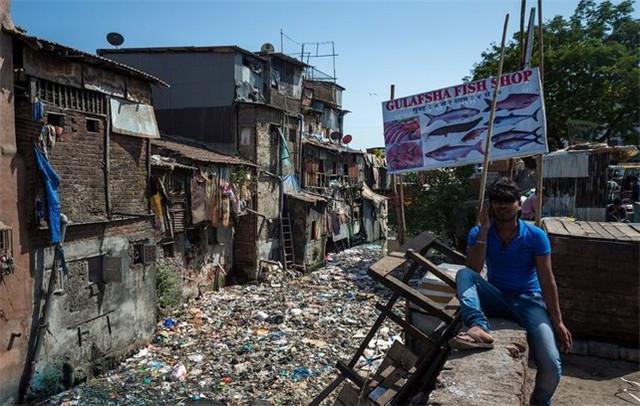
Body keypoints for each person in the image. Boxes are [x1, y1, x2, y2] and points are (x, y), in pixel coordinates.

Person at [449, 178, 571, 406]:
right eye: (497, 202)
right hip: (497, 297)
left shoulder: (535, 235)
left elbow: (547, 279)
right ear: (490, 205)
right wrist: (484, 229)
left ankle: (540, 402)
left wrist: (558, 321)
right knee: (463, 274)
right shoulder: (478, 232)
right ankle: (478, 327)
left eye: (507, 201)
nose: (502, 206)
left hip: (529, 303)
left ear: (518, 204)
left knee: (552, 365)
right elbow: (474, 270)